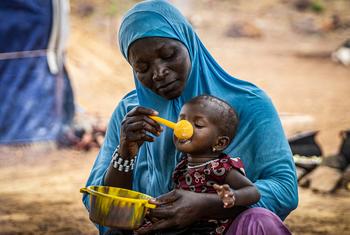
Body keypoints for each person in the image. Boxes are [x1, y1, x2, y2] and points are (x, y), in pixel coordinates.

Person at [83, 1, 298, 234]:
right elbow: (100, 206)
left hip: (222, 228)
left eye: (168, 54)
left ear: (189, 43)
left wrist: (207, 205)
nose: (159, 72)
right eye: (142, 67)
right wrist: (125, 153)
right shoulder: (130, 114)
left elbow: (284, 188)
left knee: (259, 221)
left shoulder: (248, 103)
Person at [138, 95, 260, 235]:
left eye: (198, 125)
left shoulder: (220, 168)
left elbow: (253, 192)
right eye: (181, 121)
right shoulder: (183, 166)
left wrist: (232, 196)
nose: (183, 128)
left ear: (220, 143)